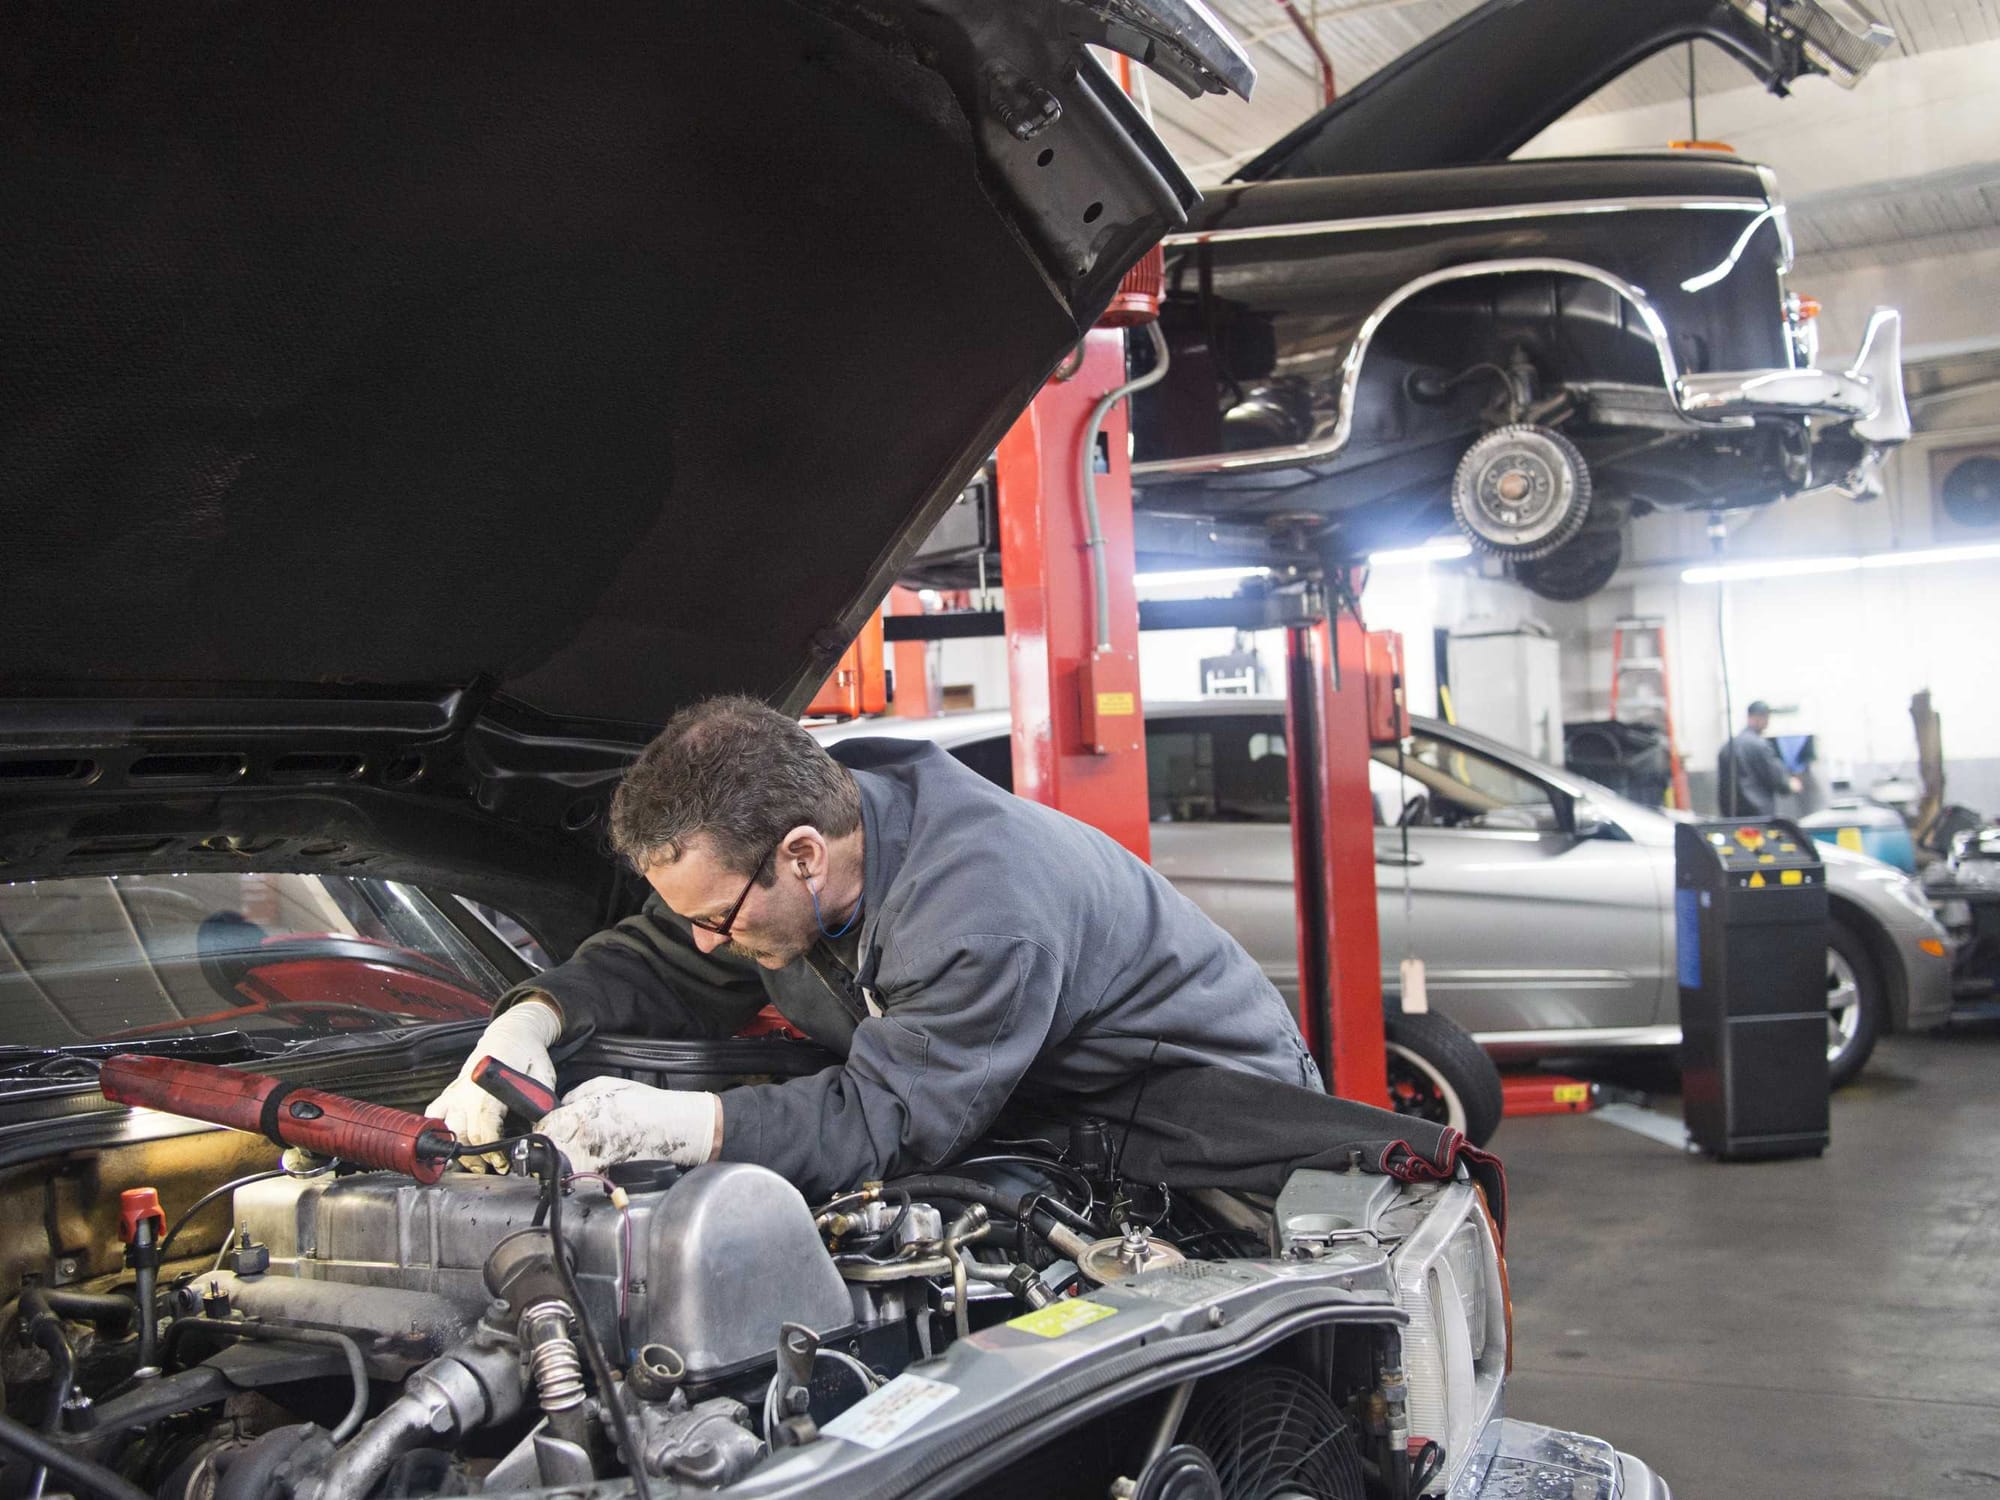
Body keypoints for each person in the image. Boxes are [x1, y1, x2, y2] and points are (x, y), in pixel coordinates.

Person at [427, 696, 1319, 1197]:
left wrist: (689, 1125)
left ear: (803, 855)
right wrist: (532, 1020)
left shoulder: (979, 909)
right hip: (1045, 1110)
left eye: (721, 917)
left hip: (1212, 1134)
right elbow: (666, 957)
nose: (709, 938)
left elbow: (889, 1118)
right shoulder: (771, 872)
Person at [1717, 700, 1801, 817]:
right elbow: (1776, 778)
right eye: (1766, 717)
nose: (1767, 722)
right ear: (1758, 718)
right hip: (1759, 818)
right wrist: (1790, 784)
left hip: (1732, 818)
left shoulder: (1726, 747)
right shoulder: (1760, 746)